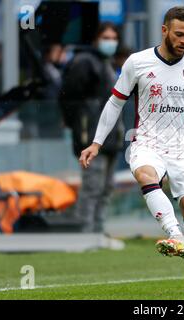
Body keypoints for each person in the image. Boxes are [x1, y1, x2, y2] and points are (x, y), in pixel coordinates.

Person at [79, 7, 184, 295]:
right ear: (164, 31)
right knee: (146, 175)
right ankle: (174, 235)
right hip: (146, 140)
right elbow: (115, 103)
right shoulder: (138, 62)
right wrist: (96, 143)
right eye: (179, 34)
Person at [59, 22, 124, 233]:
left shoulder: (107, 64)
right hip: (91, 136)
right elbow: (68, 97)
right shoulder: (85, 62)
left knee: (106, 187)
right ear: (96, 39)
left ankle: (98, 230)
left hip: (111, 136)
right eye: (106, 37)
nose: (110, 42)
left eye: (114, 38)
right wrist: (77, 126)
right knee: (92, 187)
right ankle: (84, 232)